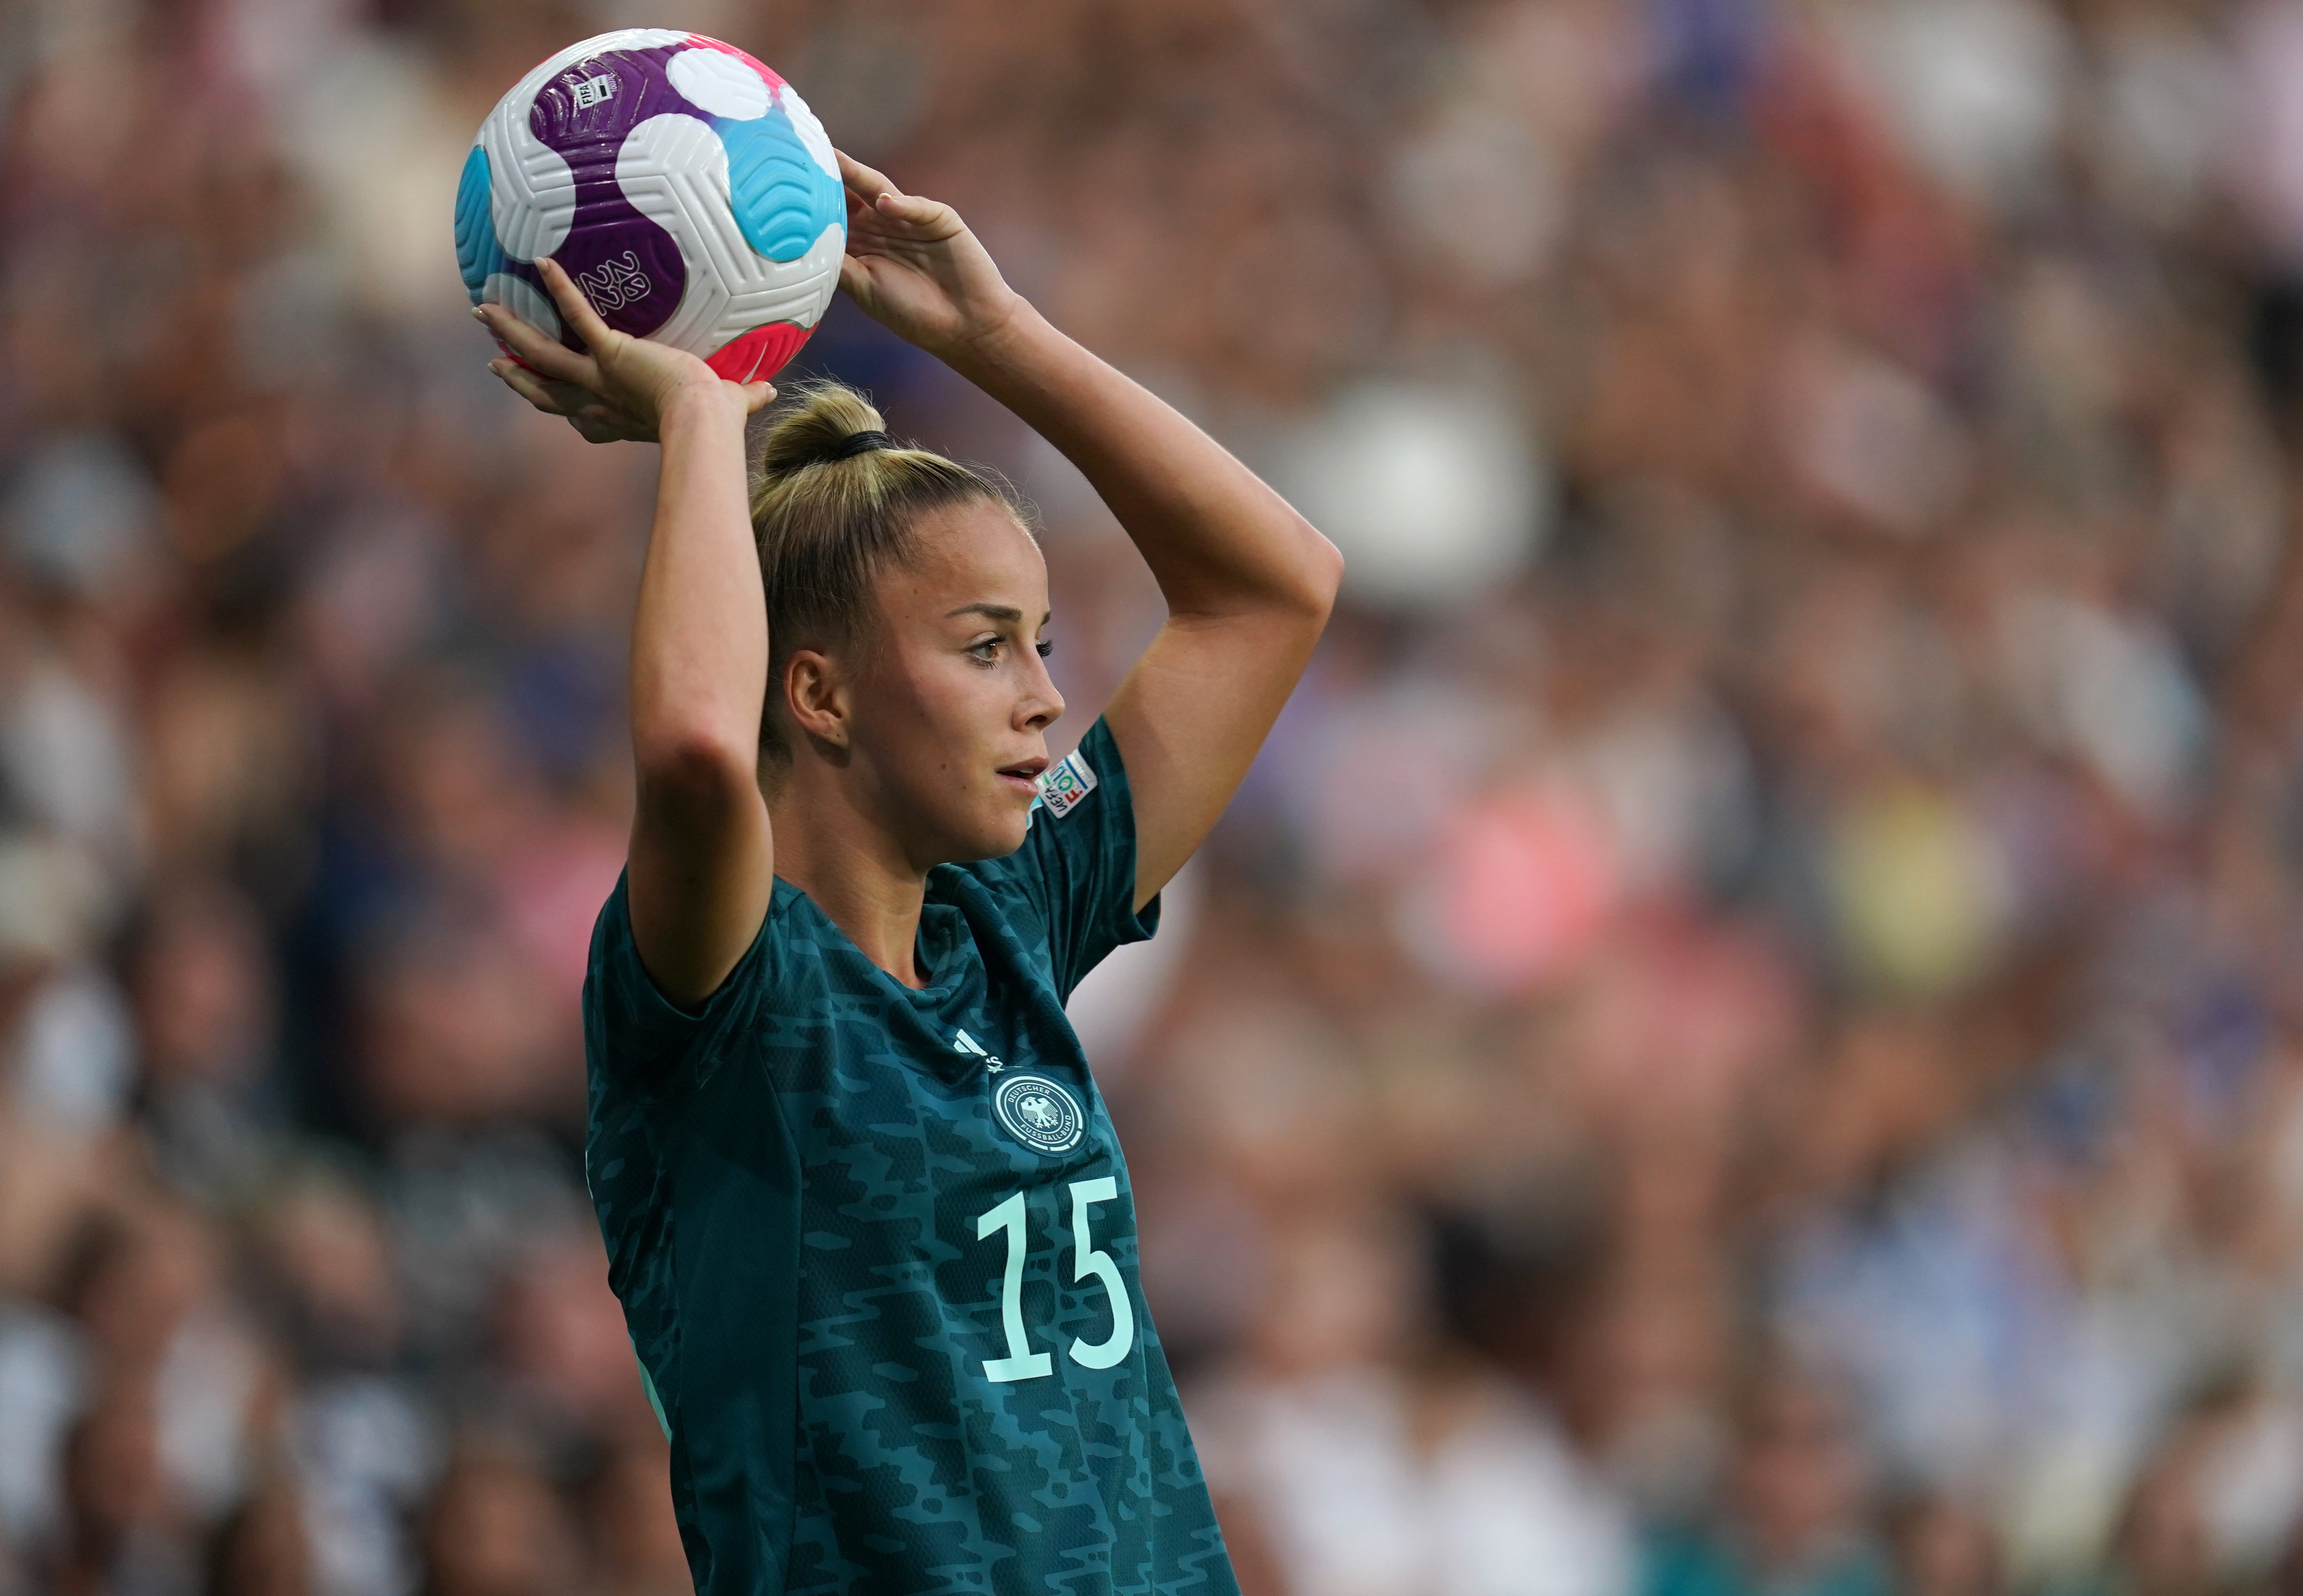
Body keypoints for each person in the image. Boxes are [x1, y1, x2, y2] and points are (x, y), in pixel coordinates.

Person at [476, 148, 1341, 1595]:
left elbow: (1276, 590)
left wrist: (995, 335)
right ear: (817, 696)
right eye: (985, 645)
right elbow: (696, 748)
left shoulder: (1010, 913)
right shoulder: (726, 991)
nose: (1046, 700)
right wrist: (702, 417)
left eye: (1044, 644)